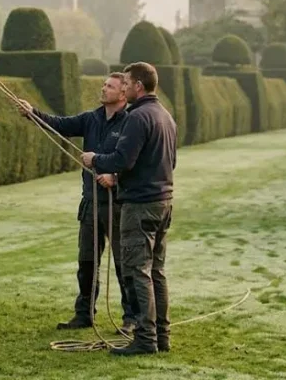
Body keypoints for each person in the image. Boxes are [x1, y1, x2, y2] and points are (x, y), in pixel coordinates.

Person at [17, 73, 133, 332]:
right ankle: (84, 314)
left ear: (123, 94)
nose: (103, 89)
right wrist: (32, 112)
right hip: (91, 203)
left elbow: (136, 159)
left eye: (110, 86)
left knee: (124, 265)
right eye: (104, 85)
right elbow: (61, 124)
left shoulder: (131, 122)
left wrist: (115, 176)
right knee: (86, 263)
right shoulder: (91, 119)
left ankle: (131, 319)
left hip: (118, 205)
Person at [82, 61, 177, 356]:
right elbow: (168, 162)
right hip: (163, 203)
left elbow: (123, 159)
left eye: (125, 83)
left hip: (139, 206)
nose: (122, 87)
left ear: (138, 85)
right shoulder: (165, 116)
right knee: (156, 271)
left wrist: (95, 159)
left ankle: (145, 340)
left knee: (138, 271)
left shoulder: (137, 117)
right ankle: (162, 337)